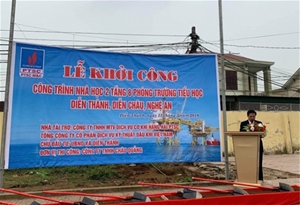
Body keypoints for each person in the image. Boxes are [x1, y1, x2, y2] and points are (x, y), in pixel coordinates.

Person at [239, 109, 264, 181]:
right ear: (247, 116)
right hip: (247, 145)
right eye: (251, 116)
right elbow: (241, 133)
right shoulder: (243, 124)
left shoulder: (259, 123)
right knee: (247, 162)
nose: (252, 118)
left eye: (254, 116)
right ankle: (247, 177)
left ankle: (259, 178)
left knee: (259, 162)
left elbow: (262, 134)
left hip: (258, 144)